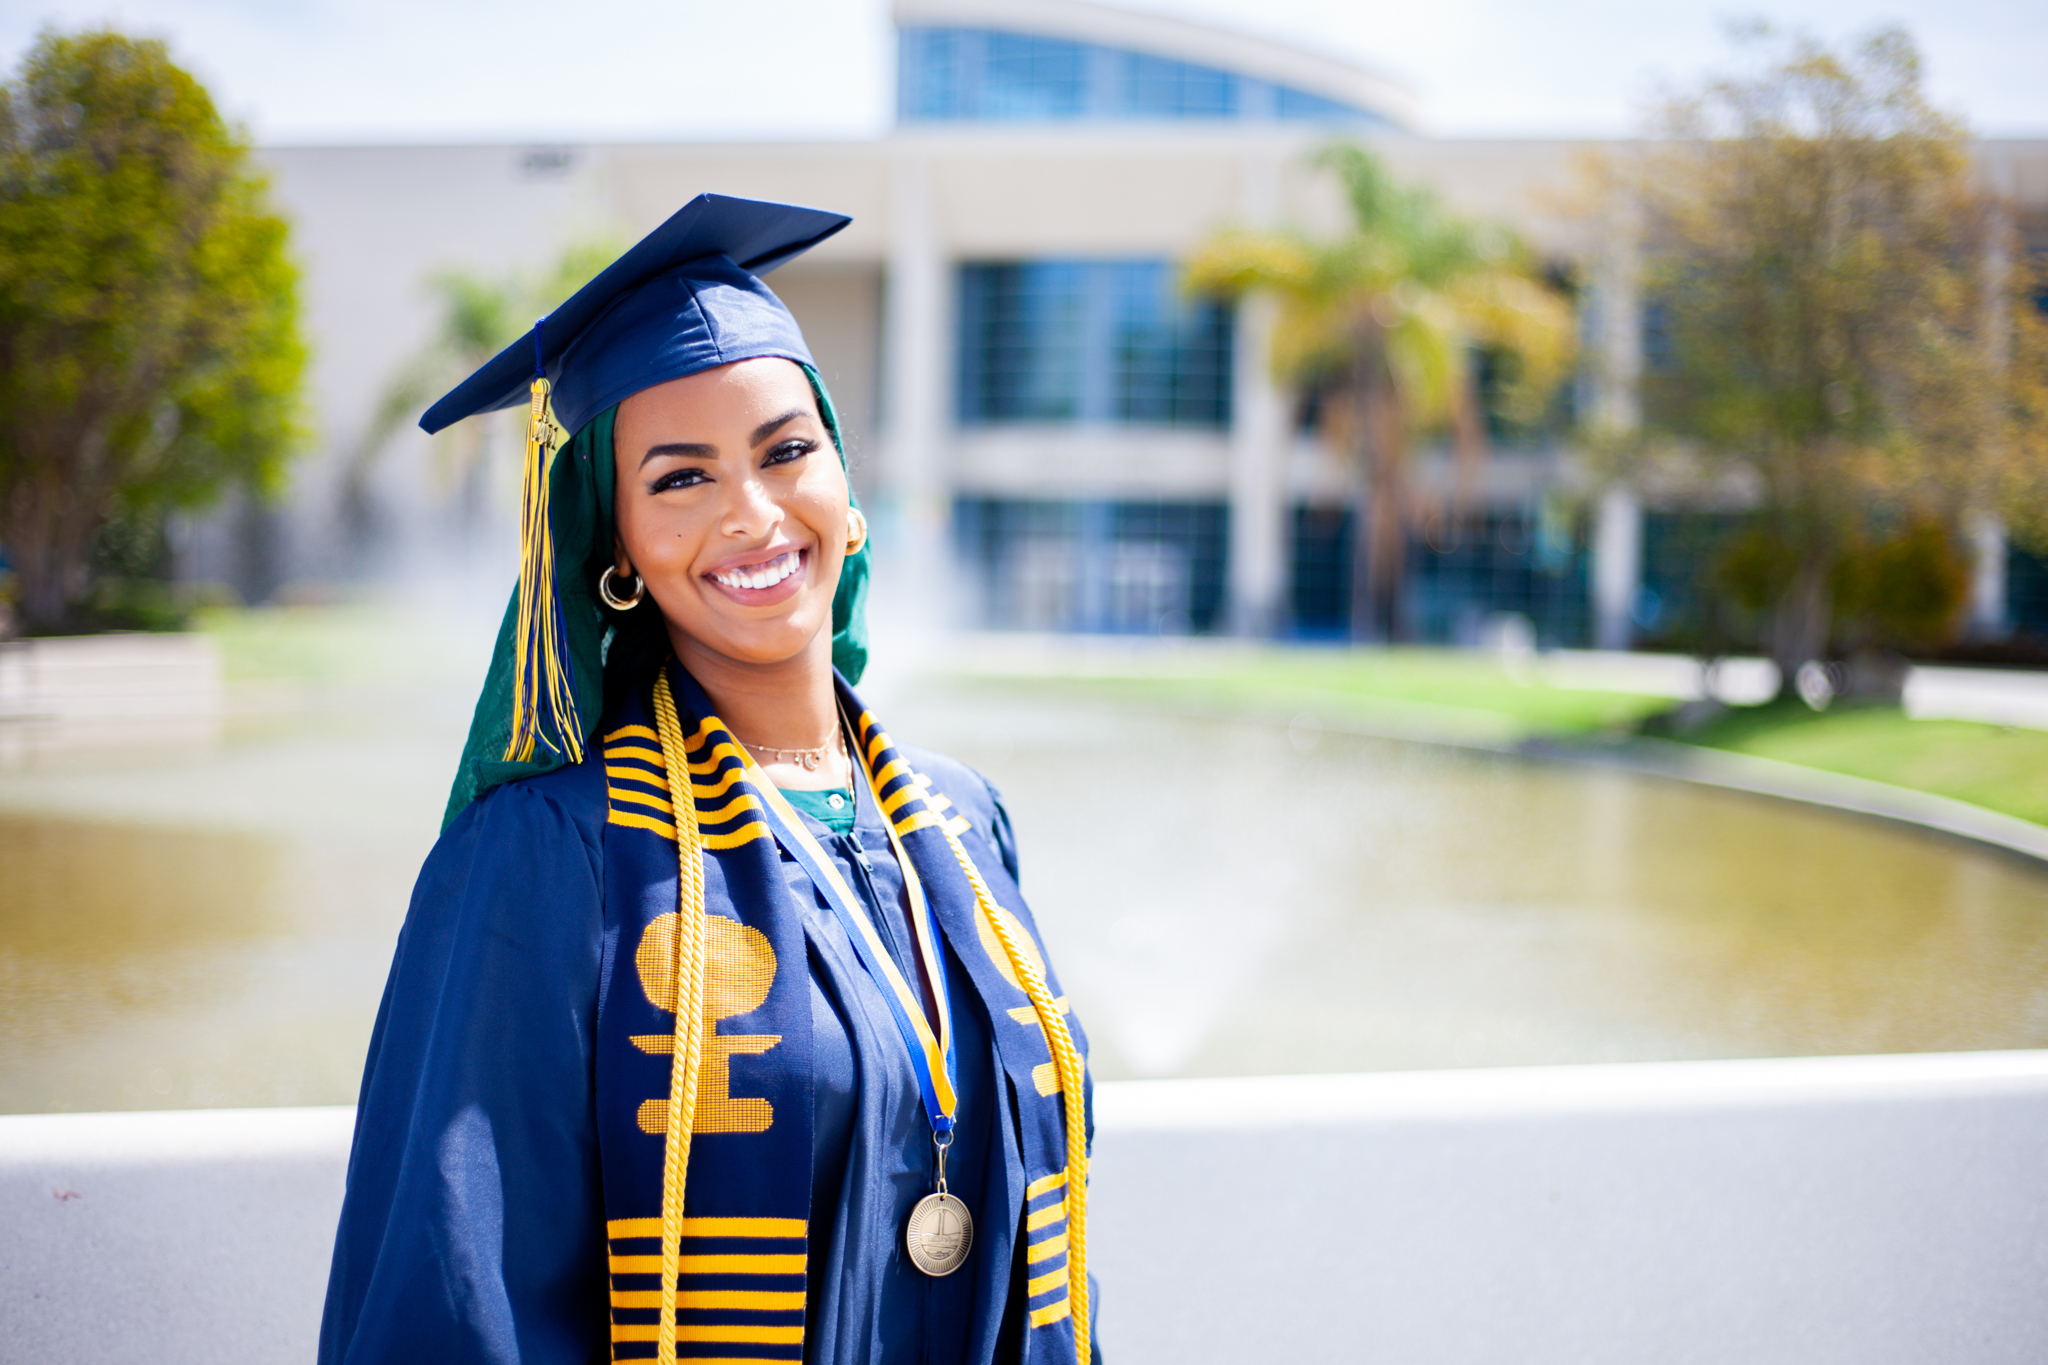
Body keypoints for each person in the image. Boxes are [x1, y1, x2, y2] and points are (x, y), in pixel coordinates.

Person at [319, 195, 1099, 1365]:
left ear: (847, 488)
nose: (751, 513)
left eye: (788, 451)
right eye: (680, 480)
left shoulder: (959, 821)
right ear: (616, 547)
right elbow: (456, 1290)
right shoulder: (547, 855)